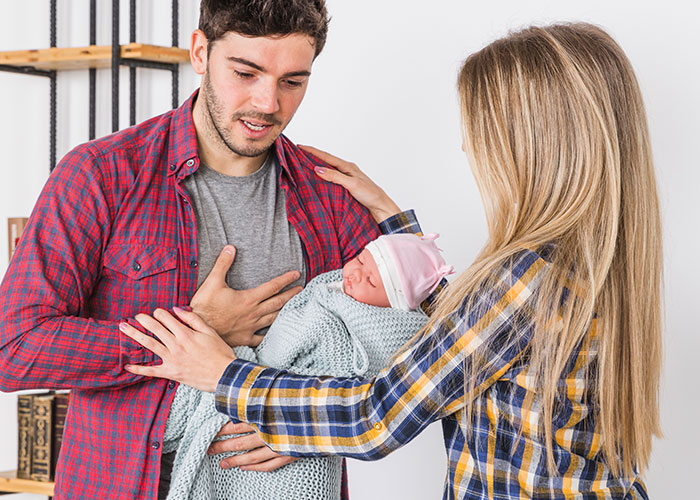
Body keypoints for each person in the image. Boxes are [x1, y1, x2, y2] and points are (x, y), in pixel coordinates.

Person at [122, 23, 663, 499]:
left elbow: (373, 417)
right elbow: (465, 335)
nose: (468, 151)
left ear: (530, 145)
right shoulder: (582, 268)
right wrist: (389, 219)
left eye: (480, 132)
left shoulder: (521, 278)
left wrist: (224, 374)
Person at [0, 1, 421, 499]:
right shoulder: (101, 175)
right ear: (201, 52)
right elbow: (14, 348)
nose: (268, 103)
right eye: (246, 72)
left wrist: (308, 424)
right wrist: (197, 330)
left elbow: (416, 348)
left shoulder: (327, 193)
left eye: (293, 81)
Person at [162, 233, 452, 499]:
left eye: (372, 281)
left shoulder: (381, 334)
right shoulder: (326, 289)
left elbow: (356, 391)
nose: (356, 274)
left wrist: (241, 370)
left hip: (294, 417)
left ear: (394, 305)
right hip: (256, 390)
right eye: (361, 259)